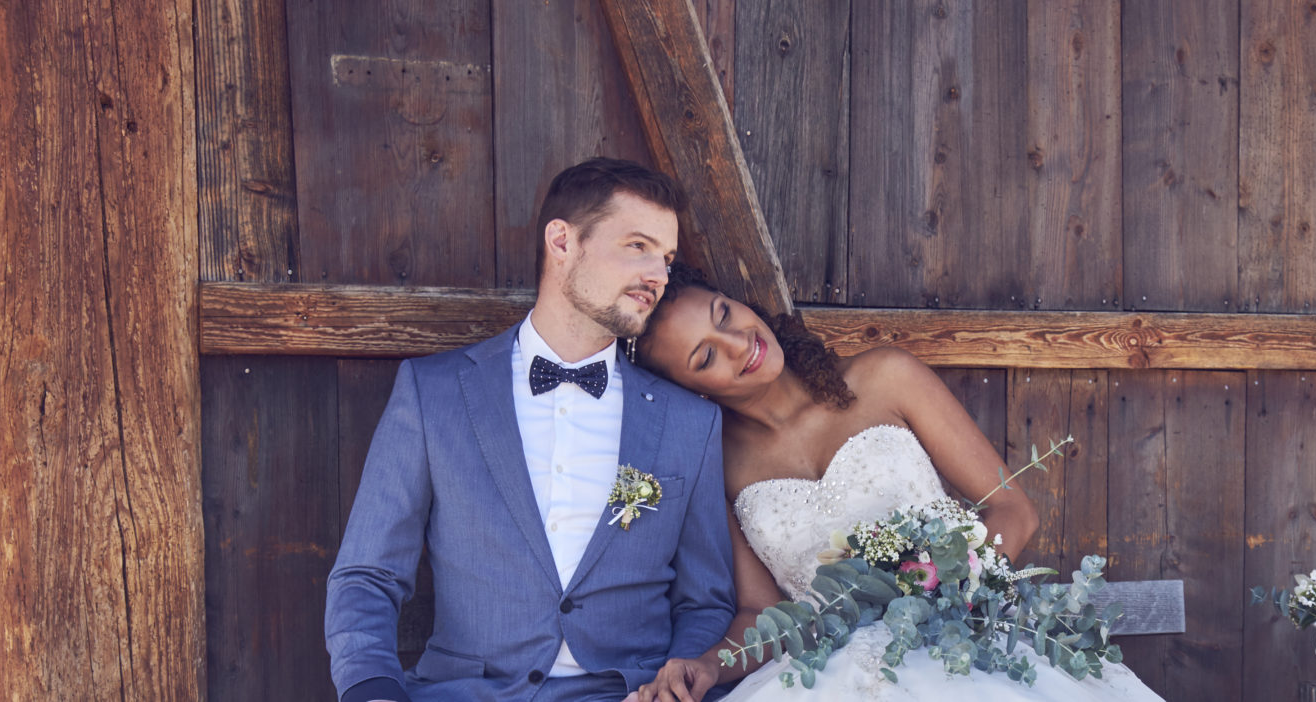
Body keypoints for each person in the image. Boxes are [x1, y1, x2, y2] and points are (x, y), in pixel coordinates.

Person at [625, 267, 1165, 701]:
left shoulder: (887, 377)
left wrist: (949, 592)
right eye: (707, 356)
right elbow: (762, 615)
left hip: (958, 637)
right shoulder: (715, 465)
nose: (740, 343)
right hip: (829, 672)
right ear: (688, 390)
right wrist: (702, 668)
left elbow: (1012, 509)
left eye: (724, 314)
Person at [325, 158, 737, 702]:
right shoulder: (434, 393)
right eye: (637, 246)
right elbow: (367, 575)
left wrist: (680, 678)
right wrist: (372, 690)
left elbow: (705, 602)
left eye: (665, 257)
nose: (659, 276)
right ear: (562, 242)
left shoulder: (691, 422)